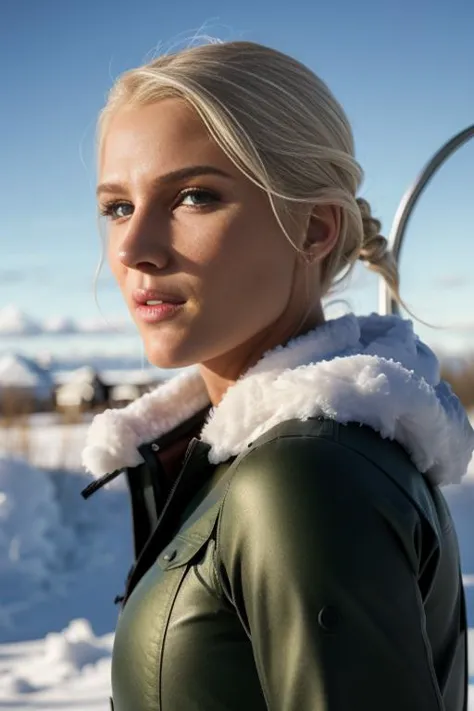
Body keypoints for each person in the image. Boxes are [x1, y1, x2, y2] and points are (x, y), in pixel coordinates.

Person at [82, 40, 473, 710]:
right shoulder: (247, 454)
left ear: (314, 227)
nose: (132, 248)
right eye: (118, 205)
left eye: (194, 196)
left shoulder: (304, 475)